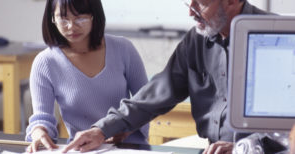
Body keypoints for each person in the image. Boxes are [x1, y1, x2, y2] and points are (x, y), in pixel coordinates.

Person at [62, 0, 271, 153]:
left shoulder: (280, 36)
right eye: (188, 2)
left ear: (233, 2)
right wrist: (101, 129)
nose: (191, 12)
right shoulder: (195, 41)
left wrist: (245, 147)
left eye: (201, 3)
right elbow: (155, 95)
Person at [25, 0, 149, 152]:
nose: (71, 26)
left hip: (129, 147)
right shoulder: (45, 62)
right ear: (52, 19)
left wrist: (126, 129)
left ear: (94, 16)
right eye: (63, 19)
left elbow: (146, 103)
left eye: (80, 18)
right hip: (83, 150)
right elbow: (42, 117)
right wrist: (39, 132)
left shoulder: (123, 49)